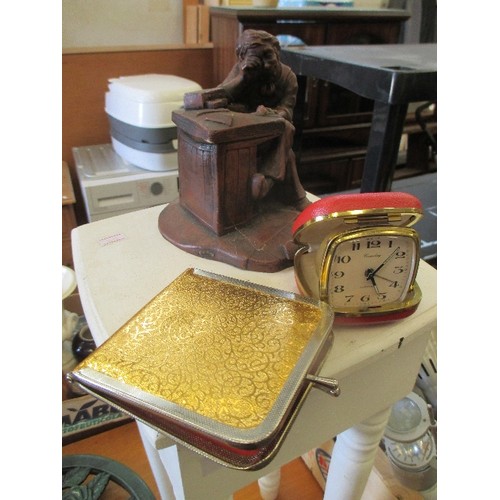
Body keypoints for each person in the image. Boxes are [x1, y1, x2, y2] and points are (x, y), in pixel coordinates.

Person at [217, 29, 308, 210]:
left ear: (277, 52)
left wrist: (270, 114)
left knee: (286, 128)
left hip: (271, 132)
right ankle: (290, 194)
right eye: (257, 59)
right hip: (243, 129)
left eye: (268, 56)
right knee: (287, 153)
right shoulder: (241, 71)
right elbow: (220, 95)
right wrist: (243, 77)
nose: (266, 65)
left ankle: (265, 183)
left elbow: (287, 110)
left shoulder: (288, 77)